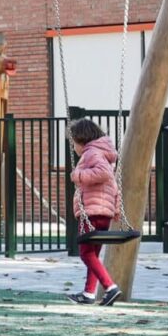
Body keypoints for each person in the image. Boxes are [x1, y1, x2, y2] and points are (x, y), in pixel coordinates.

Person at [68, 117, 122, 306]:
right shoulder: (102, 152)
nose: (73, 146)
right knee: (93, 253)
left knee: (85, 253)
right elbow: (112, 182)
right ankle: (89, 294)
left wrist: (78, 175)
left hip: (92, 211)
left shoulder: (91, 153)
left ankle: (110, 287)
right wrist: (114, 209)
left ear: (81, 139)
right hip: (102, 211)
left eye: (73, 142)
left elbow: (103, 173)